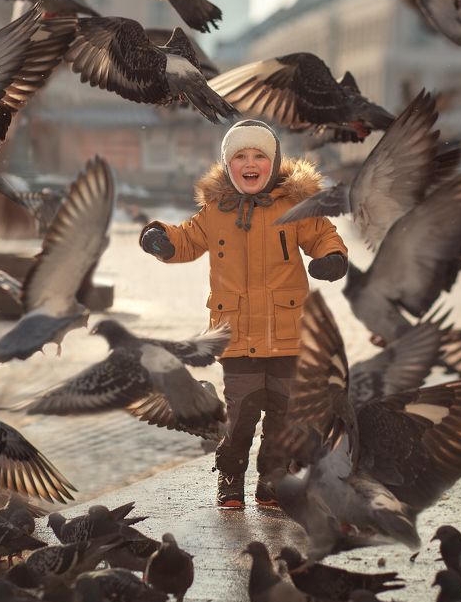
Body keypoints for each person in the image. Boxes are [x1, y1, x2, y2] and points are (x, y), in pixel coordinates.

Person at [138, 119, 348, 508]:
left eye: (258, 156)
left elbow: (323, 234)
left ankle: (273, 478)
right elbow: (185, 239)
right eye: (240, 157)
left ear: (274, 162)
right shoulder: (216, 212)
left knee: (284, 418)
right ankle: (231, 477)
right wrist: (161, 239)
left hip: (288, 335)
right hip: (236, 338)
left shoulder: (295, 208)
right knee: (240, 417)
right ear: (227, 165)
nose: (250, 163)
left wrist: (332, 257)